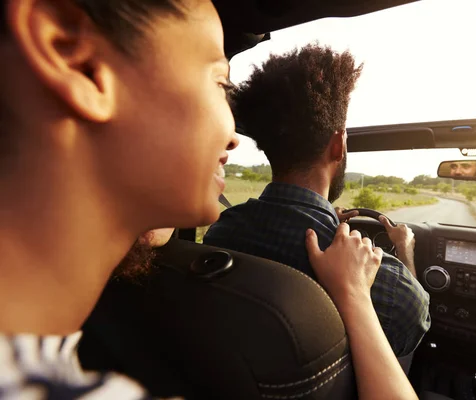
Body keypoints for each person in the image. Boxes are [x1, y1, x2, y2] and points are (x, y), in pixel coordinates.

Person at [0, 1, 418, 399]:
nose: (234, 136)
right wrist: (369, 281)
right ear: (72, 56)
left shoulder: (223, 231)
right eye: (220, 82)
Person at [204, 44, 431, 361]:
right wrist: (405, 250)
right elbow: (416, 324)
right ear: (338, 144)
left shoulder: (223, 232)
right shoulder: (391, 287)